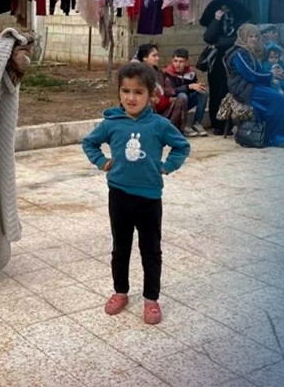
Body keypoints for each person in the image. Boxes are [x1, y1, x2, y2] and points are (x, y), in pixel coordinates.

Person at [82, 62, 190, 325]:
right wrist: (102, 161)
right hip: (119, 195)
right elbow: (89, 142)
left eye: (138, 92)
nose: (131, 98)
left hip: (149, 198)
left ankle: (151, 298)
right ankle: (120, 292)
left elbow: (181, 146)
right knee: (120, 248)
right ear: (119, 92)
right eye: (126, 91)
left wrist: (167, 166)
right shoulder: (111, 123)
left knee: (150, 250)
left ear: (151, 95)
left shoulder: (159, 125)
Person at [225, 24, 284, 148]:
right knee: (278, 99)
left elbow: (260, 72)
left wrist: (277, 75)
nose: (254, 39)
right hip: (245, 89)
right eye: (250, 36)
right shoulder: (238, 54)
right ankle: (276, 137)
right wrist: (271, 75)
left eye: (256, 36)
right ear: (243, 37)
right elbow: (251, 75)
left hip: (255, 85)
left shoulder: (250, 52)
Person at [200, 0, 251, 136]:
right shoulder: (215, 20)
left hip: (232, 59)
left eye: (227, 7)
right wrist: (216, 20)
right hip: (215, 62)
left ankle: (226, 124)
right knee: (215, 92)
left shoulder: (239, 22)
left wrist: (218, 44)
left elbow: (237, 40)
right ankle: (216, 124)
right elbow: (208, 38)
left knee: (227, 92)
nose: (225, 10)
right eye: (222, 8)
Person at [162, 48, 208, 137]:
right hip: (172, 105)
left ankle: (197, 123)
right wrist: (188, 87)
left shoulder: (190, 72)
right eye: (175, 61)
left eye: (181, 62)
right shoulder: (167, 73)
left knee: (203, 92)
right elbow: (170, 92)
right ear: (172, 61)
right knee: (182, 96)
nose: (177, 64)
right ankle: (184, 125)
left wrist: (197, 86)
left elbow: (192, 87)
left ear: (186, 62)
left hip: (186, 101)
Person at [133, 43, 168, 114]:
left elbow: (167, 87)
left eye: (157, 55)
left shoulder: (158, 72)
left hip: (161, 99)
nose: (157, 58)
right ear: (145, 58)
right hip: (146, 102)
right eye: (154, 56)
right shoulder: (138, 72)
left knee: (180, 99)